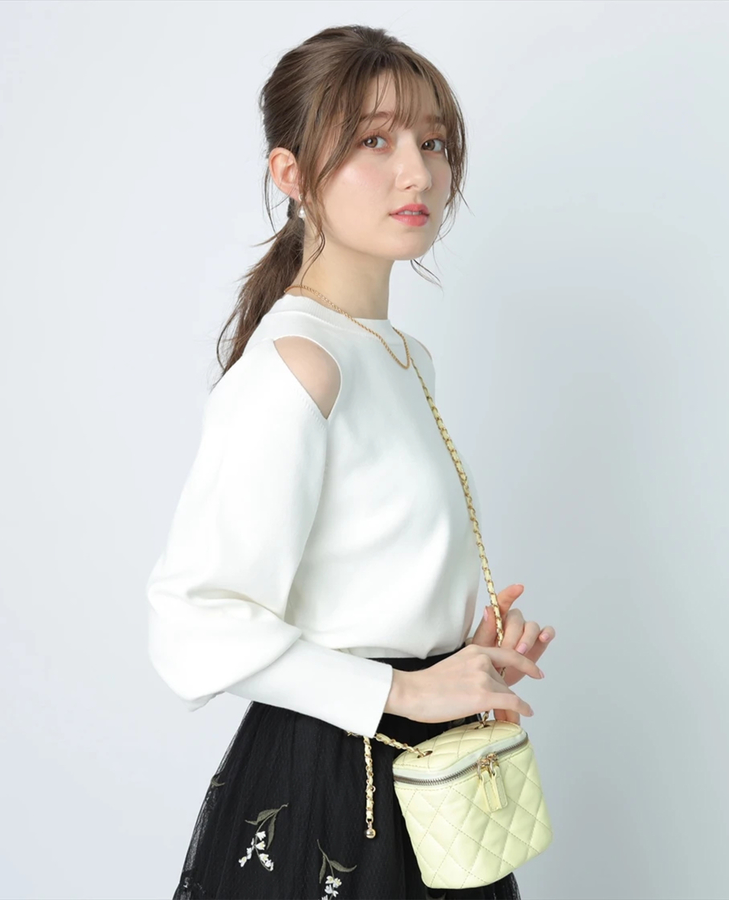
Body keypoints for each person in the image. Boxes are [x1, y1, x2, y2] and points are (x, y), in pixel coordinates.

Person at [146, 23, 556, 900]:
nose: (418, 173)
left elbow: (362, 584)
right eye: (374, 141)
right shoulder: (301, 363)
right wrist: (407, 692)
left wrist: (462, 651)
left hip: (431, 780)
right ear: (291, 173)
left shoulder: (399, 356)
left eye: (432, 142)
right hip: (336, 787)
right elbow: (190, 622)